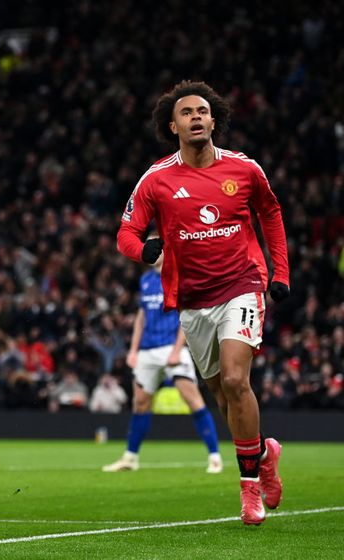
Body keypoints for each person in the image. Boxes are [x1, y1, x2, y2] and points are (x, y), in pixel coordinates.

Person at [117, 81, 289, 525]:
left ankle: (248, 489)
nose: (196, 117)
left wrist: (280, 273)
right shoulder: (156, 179)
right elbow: (126, 233)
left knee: (236, 379)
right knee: (222, 397)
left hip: (242, 283)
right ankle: (264, 453)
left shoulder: (245, 169)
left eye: (203, 111)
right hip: (192, 300)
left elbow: (271, 213)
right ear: (172, 126)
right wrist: (143, 252)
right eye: (187, 112)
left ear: (214, 120)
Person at [103, 245, 223, 473]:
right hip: (148, 349)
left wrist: (178, 350)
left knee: (192, 399)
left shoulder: (178, 276)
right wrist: (133, 350)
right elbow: (141, 317)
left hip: (171, 347)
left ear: (167, 250)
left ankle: (215, 456)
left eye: (155, 245)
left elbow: (185, 314)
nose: (150, 250)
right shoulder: (146, 280)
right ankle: (130, 458)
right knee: (140, 402)